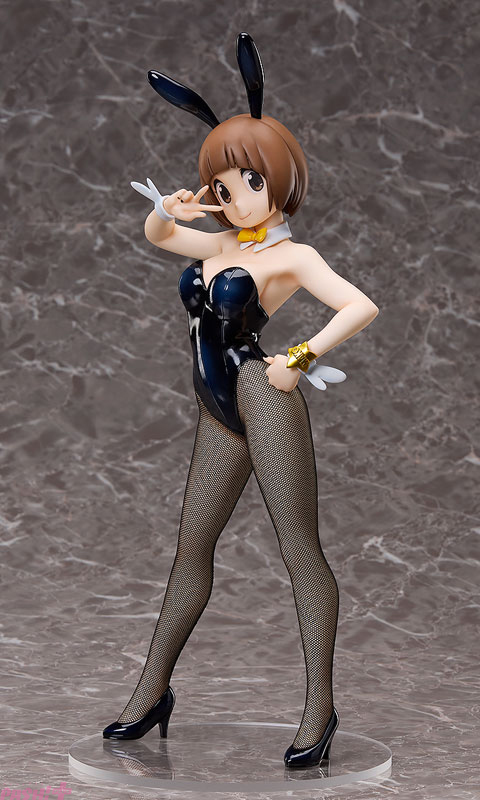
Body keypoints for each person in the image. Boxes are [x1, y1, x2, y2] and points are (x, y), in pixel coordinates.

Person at [102, 32, 379, 769]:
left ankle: (320, 706)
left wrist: (299, 357)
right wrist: (173, 208)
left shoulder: (293, 256)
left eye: (246, 180)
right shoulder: (223, 247)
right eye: (222, 186)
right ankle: (152, 691)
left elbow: (359, 306)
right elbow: (161, 236)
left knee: (299, 551)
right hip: (216, 406)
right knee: (191, 549)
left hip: (262, 393)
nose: (232, 196)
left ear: (279, 179)